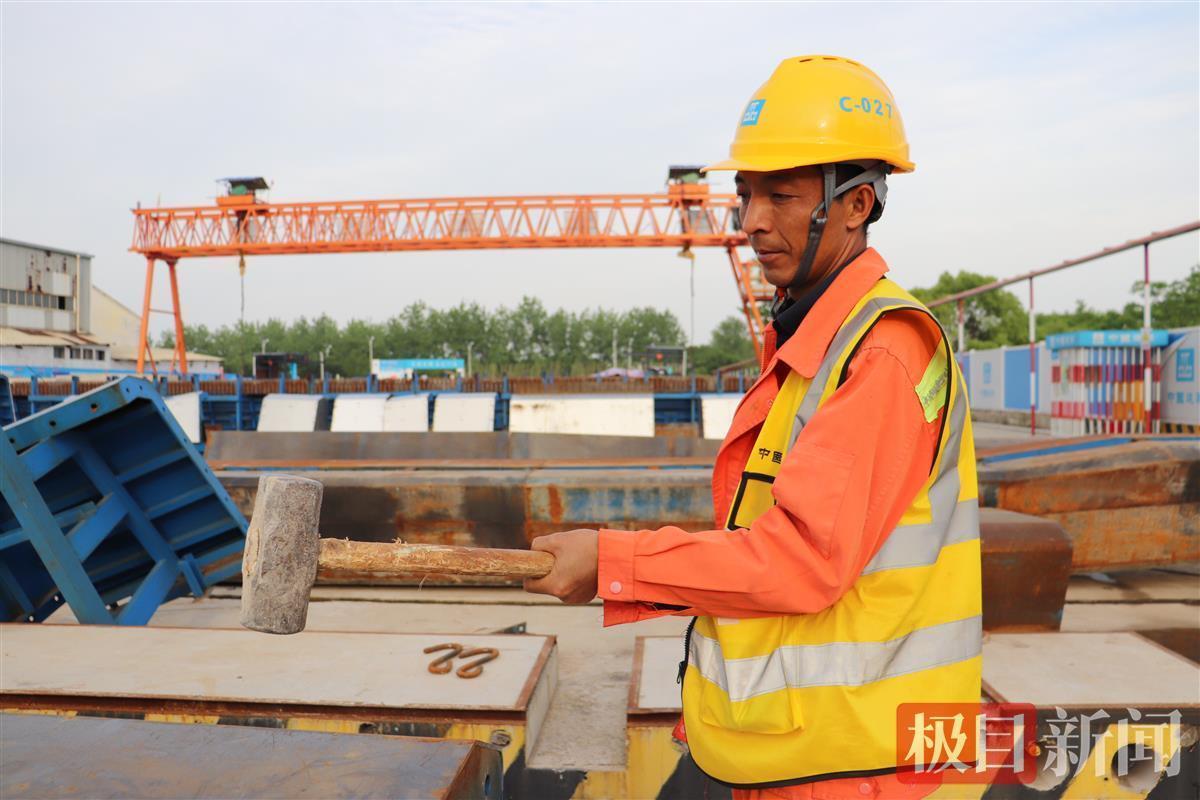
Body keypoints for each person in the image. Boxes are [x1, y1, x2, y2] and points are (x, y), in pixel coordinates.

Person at [525, 55, 981, 799]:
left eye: (781, 195)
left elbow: (799, 560)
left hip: (861, 770)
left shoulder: (883, 351)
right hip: (813, 753)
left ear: (857, 204)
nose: (752, 222)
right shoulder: (818, 347)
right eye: (745, 195)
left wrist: (612, 560)